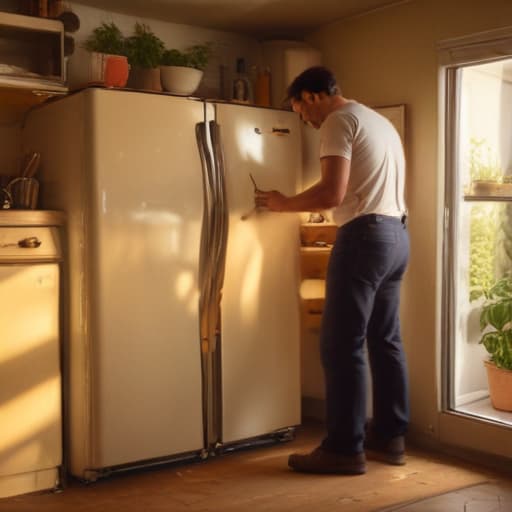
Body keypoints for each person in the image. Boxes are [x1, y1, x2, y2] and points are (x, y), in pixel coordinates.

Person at [255, 66, 410, 475]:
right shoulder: (378, 121)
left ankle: (344, 449)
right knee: (384, 340)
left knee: (341, 345)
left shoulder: (339, 121)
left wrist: (280, 203)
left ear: (311, 97)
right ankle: (390, 436)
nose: (306, 121)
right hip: (396, 236)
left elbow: (331, 193)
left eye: (301, 112)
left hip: (363, 238)